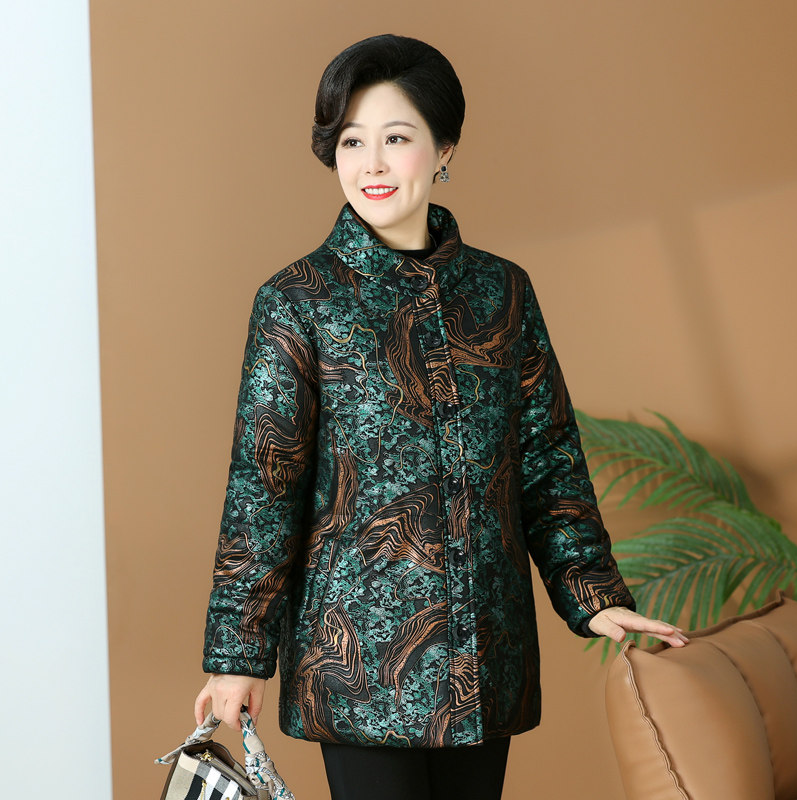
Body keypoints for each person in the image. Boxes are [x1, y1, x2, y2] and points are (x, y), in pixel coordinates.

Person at [193, 33, 688, 800]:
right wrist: (237, 656)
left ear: (444, 147)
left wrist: (595, 597)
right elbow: (265, 485)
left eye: (397, 138)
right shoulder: (298, 302)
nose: (373, 164)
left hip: (484, 659)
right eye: (352, 141)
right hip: (356, 669)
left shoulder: (501, 293)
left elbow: (546, 458)